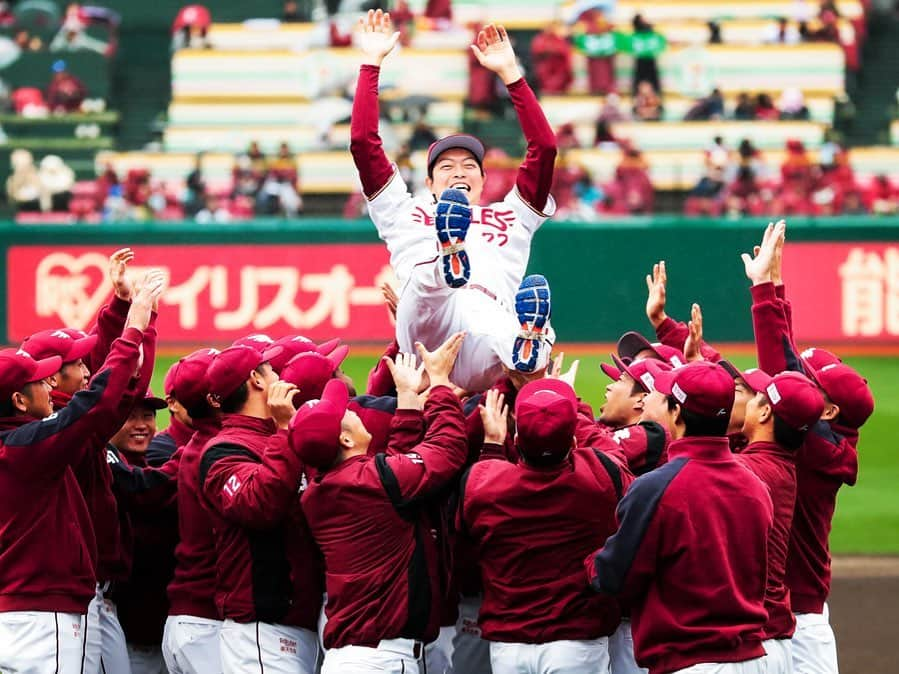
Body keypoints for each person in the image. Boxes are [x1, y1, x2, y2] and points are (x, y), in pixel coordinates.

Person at [350, 10, 558, 392]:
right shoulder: (403, 209)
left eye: (469, 165)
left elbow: (544, 149)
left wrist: (512, 74)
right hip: (428, 331)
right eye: (446, 166)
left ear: (483, 178)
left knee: (518, 343)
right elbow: (364, 143)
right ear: (429, 182)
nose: (459, 171)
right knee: (426, 288)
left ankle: (528, 342)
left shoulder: (510, 215)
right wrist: (371, 63)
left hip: (488, 314)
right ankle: (449, 256)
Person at [0, 273, 165, 673]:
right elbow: (99, 405)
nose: (51, 380)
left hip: (26, 609)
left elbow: (104, 400)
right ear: (20, 399)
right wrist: (134, 327)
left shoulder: (23, 440)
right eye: (42, 379)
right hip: (40, 615)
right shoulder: (28, 447)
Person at [296, 332, 468, 674]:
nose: (352, 409)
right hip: (381, 659)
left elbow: (396, 475)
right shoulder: (373, 482)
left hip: (356, 656)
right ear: (345, 438)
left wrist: (407, 402)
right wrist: (439, 387)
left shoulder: (323, 488)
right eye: (344, 413)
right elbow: (448, 449)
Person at [586, 360, 773, 674]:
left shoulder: (656, 488)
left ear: (675, 413)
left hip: (691, 661)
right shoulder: (756, 486)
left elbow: (614, 577)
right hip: (753, 659)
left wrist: (588, 560)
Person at [460, 379, 632, 673]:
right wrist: (575, 409)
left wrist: (491, 445)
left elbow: (473, 524)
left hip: (508, 647)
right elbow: (615, 455)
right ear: (575, 442)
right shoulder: (600, 477)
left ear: (514, 442)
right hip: (577, 646)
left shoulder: (483, 482)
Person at [199, 345, 323, 674]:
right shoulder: (223, 450)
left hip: (298, 624)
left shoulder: (274, 435)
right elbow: (259, 506)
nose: (280, 376)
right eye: (271, 370)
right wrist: (284, 431)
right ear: (255, 379)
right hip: (260, 631)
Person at [738, 368, 825, 674]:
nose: (743, 401)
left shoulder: (745, 472)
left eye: (752, 397)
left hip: (748, 645)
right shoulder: (780, 465)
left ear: (764, 412)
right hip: (771, 638)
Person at [531, 22, 574, 95]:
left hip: (560, 71)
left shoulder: (560, 40)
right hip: (546, 71)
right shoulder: (540, 39)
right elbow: (537, 50)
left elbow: (565, 53)